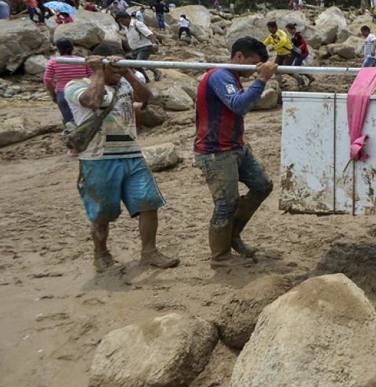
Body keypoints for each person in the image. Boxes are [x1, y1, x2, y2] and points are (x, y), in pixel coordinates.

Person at [64, 44, 179, 272]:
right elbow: (93, 101)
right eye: (113, 67)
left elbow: (147, 97)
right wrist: (98, 72)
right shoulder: (75, 86)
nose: (117, 70)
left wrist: (126, 72)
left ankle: (149, 251)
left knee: (148, 203)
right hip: (98, 159)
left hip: (132, 154)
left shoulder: (125, 82)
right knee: (102, 212)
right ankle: (101, 252)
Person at [194, 37, 278, 267]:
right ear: (239, 57)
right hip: (215, 151)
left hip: (236, 146)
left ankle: (233, 235)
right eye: (254, 64)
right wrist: (262, 79)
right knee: (226, 203)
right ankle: (220, 256)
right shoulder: (220, 75)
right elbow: (238, 105)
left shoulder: (232, 78)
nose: (254, 71)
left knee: (262, 185)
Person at [44, 39, 92, 127]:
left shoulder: (53, 62)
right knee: (85, 119)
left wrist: (52, 94)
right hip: (82, 91)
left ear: (58, 49)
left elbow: (47, 80)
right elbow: (91, 76)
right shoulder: (83, 61)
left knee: (69, 122)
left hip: (63, 93)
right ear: (72, 48)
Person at [116, 11, 161, 81]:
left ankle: (154, 72)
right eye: (120, 22)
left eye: (122, 21)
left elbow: (150, 34)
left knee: (138, 63)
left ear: (127, 18)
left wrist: (154, 44)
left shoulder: (137, 24)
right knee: (134, 63)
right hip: (135, 49)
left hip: (145, 47)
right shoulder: (126, 28)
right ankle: (146, 78)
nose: (122, 23)